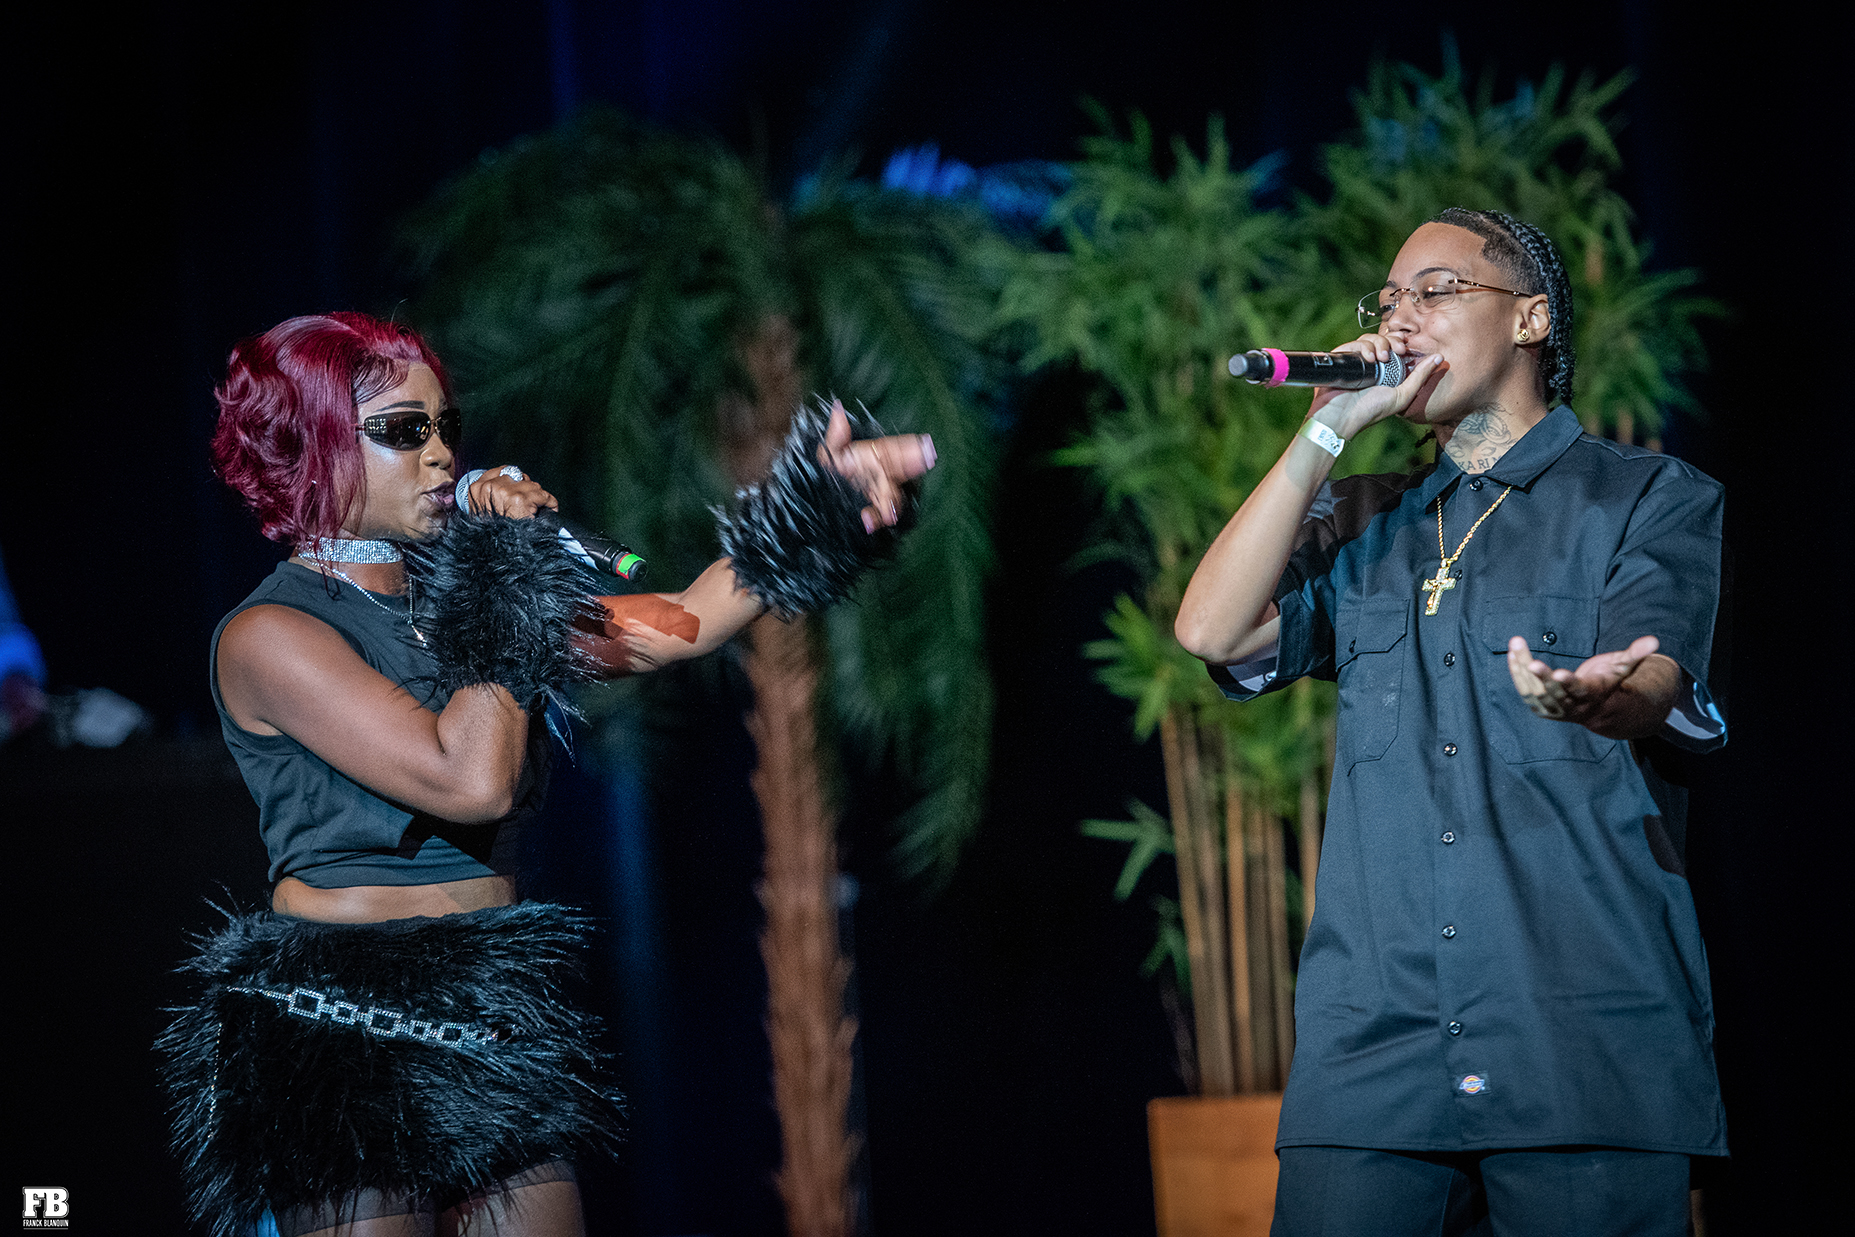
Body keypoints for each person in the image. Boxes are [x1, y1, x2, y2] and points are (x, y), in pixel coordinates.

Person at [160, 312, 934, 1237]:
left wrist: (817, 509)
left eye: (446, 424)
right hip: (345, 1027)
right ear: (313, 446)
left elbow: (681, 622)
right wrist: (502, 568)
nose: (442, 452)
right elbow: (471, 778)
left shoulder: (464, 597)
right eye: (404, 430)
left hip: (492, 1008)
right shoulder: (269, 635)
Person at [1176, 210, 1726, 1236]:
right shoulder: (1364, 518)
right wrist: (1326, 427)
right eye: (1387, 299)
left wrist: (1605, 693)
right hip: (1372, 1057)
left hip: (1581, 1044)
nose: (1400, 317)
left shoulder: (1642, 495)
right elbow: (1210, 629)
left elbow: (1655, 675)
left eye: (1434, 291)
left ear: (1528, 319)